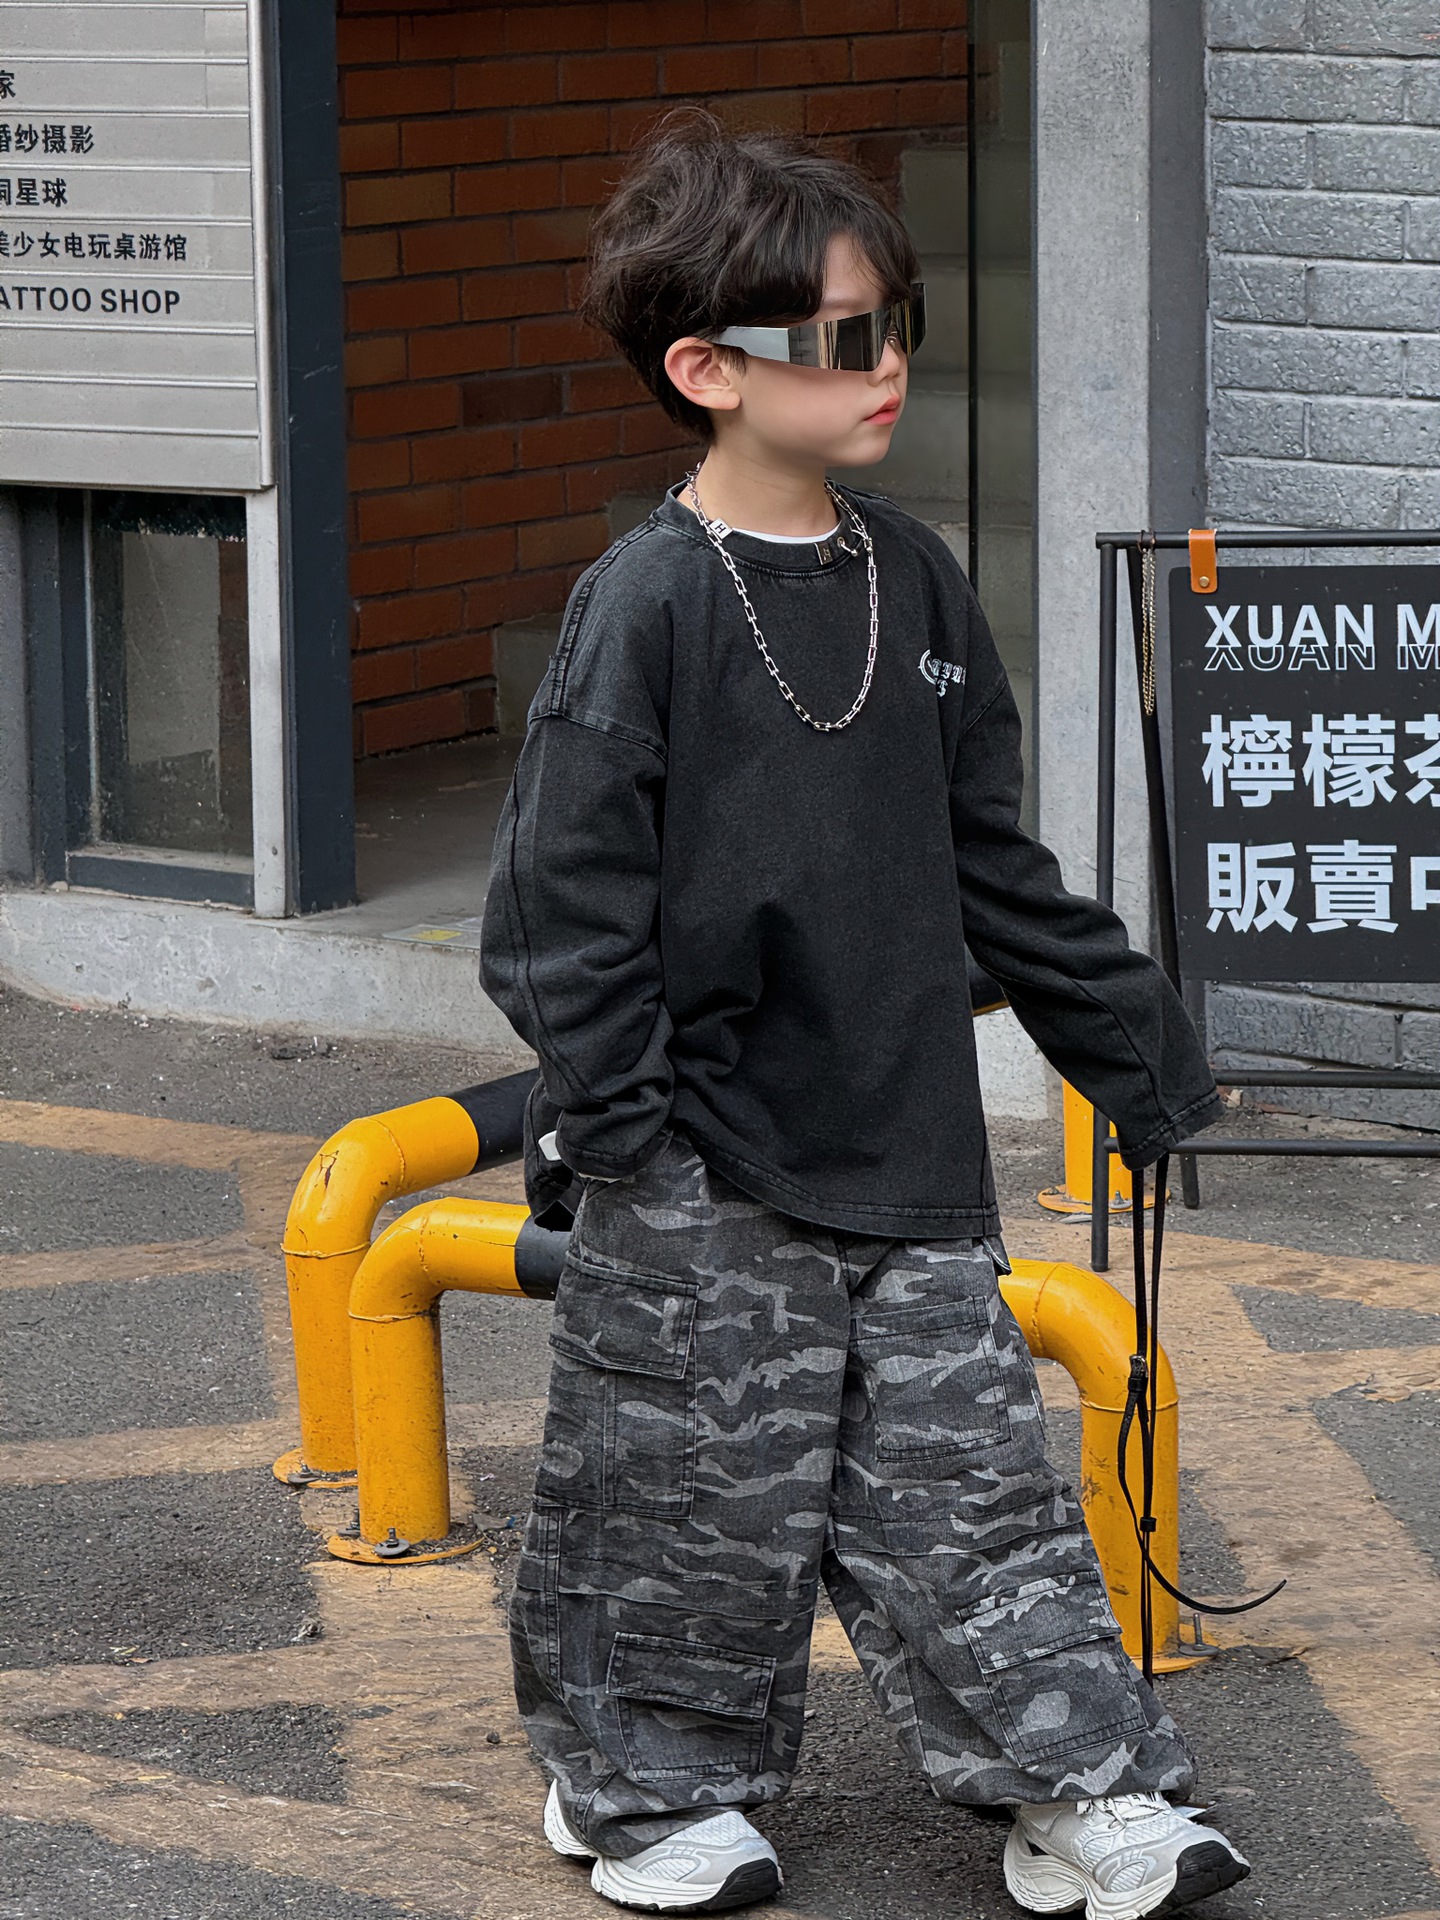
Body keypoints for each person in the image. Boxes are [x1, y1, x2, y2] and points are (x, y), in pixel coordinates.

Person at [481, 111, 1249, 1920]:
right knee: (684, 1510)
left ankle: (1086, 1792)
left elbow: (991, 859)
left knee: (972, 1493)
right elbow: (558, 912)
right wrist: (631, 1130)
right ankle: (640, 1796)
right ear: (708, 371)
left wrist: (1132, 1043)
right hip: (696, 1162)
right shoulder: (646, 602)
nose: (887, 359)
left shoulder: (914, 576)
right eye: (841, 335)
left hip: (902, 1141)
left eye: (896, 322)